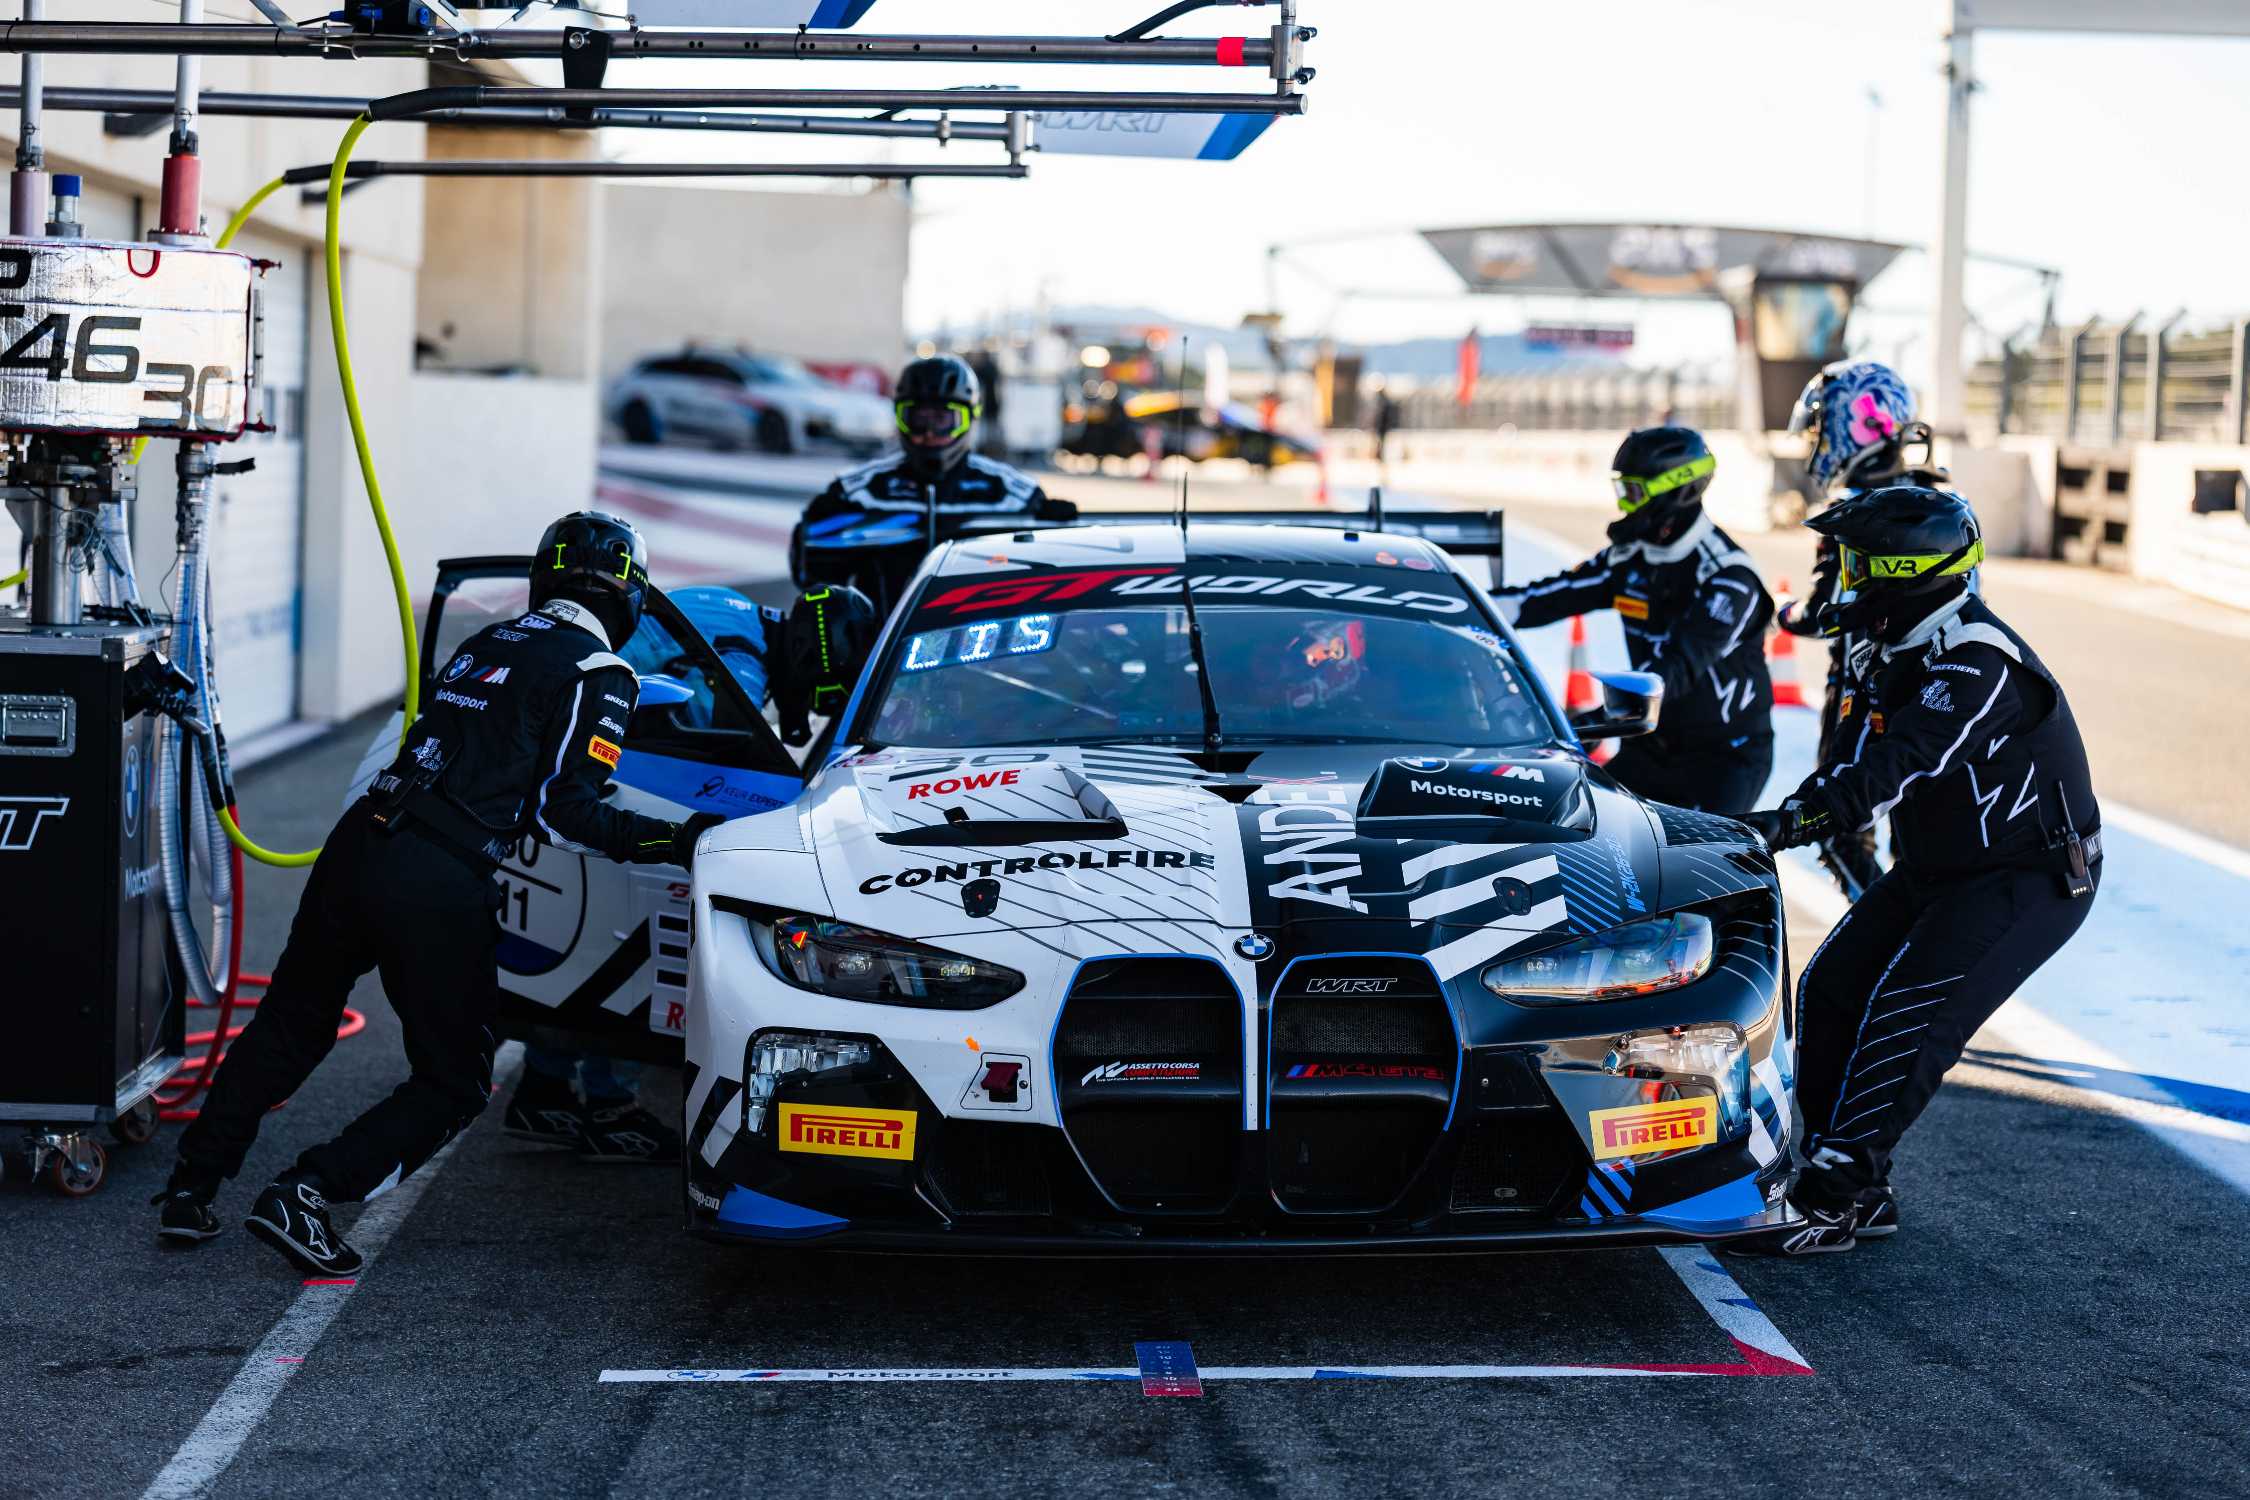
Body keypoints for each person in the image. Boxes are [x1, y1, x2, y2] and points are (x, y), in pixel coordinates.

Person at [154, 511, 723, 1273]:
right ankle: (308, 1193)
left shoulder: (490, 639)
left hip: (360, 842)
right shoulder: (601, 672)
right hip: (437, 875)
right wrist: (687, 838)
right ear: (632, 597)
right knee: (455, 1083)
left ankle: (191, 1187)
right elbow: (566, 812)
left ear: (544, 578)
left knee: (292, 1024)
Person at [1730, 486, 2100, 1255]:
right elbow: (1850, 763)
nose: (1843, 579)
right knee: (1831, 986)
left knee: (1906, 1013)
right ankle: (1852, 1186)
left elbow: (1893, 767)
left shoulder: (1975, 662)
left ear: (1904, 573)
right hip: (1941, 866)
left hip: (2027, 877)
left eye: (1856, 565)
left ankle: (1830, 1200)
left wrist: (1783, 827)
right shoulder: (1895, 648)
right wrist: (1796, 815)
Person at [1492, 426, 1775, 811]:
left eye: (1634, 493)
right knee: (1586, 828)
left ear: (1677, 491)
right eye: (1621, 491)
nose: (1625, 505)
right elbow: (1543, 598)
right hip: (1652, 747)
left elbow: (1677, 668)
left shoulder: (1728, 576)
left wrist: (1600, 719)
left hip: (1725, 757)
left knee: (1705, 850)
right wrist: (1460, 602)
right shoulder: (1629, 559)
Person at [1779, 359, 1947, 893]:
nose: (1816, 441)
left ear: (1856, 423)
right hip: (1943, 688)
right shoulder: (1945, 501)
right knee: (1921, 839)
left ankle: (1880, 929)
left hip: (1865, 686)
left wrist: (1780, 612)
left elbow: (1821, 616)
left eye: (1821, 428)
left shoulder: (1851, 512)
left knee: (1839, 830)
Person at [791, 353, 1070, 614]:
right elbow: (811, 579)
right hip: (883, 640)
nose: (929, 433)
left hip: (981, 636)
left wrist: (1054, 527)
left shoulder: (1010, 492)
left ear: (970, 417)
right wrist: (821, 529)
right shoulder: (859, 491)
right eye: (917, 419)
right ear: (899, 418)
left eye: (943, 420)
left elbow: (1046, 578)